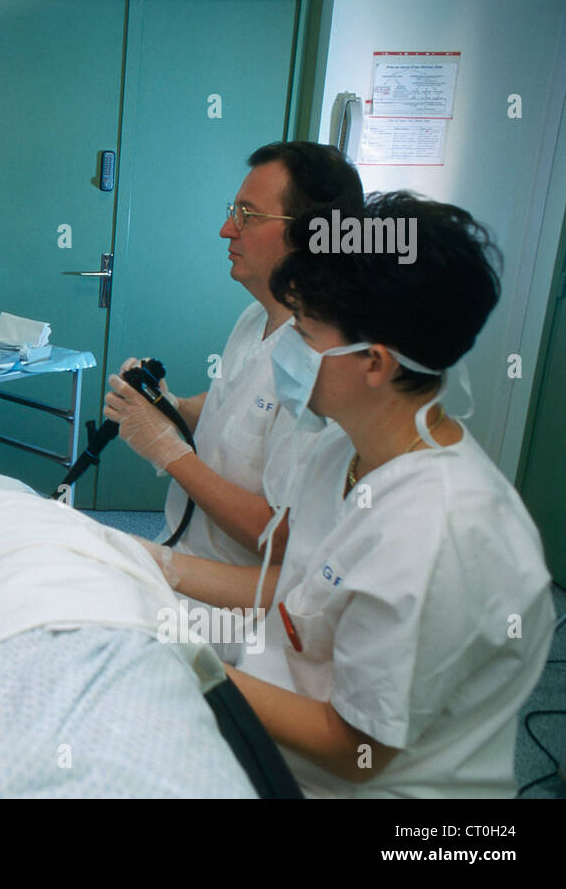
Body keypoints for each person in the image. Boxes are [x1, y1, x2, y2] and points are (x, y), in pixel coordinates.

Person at [137, 192, 554, 797]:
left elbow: (355, 747)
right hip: (278, 726)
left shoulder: (440, 533)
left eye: (302, 333)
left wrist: (185, 660)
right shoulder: (341, 448)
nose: (284, 351)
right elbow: (300, 590)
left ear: (376, 363)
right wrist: (157, 570)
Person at [106, 142, 362, 566]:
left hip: (231, 606)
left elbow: (278, 541)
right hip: (180, 551)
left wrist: (168, 451)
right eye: (234, 210)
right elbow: (235, 408)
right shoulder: (254, 317)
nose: (227, 229)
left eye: (248, 215)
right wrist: (171, 406)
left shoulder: (323, 364)